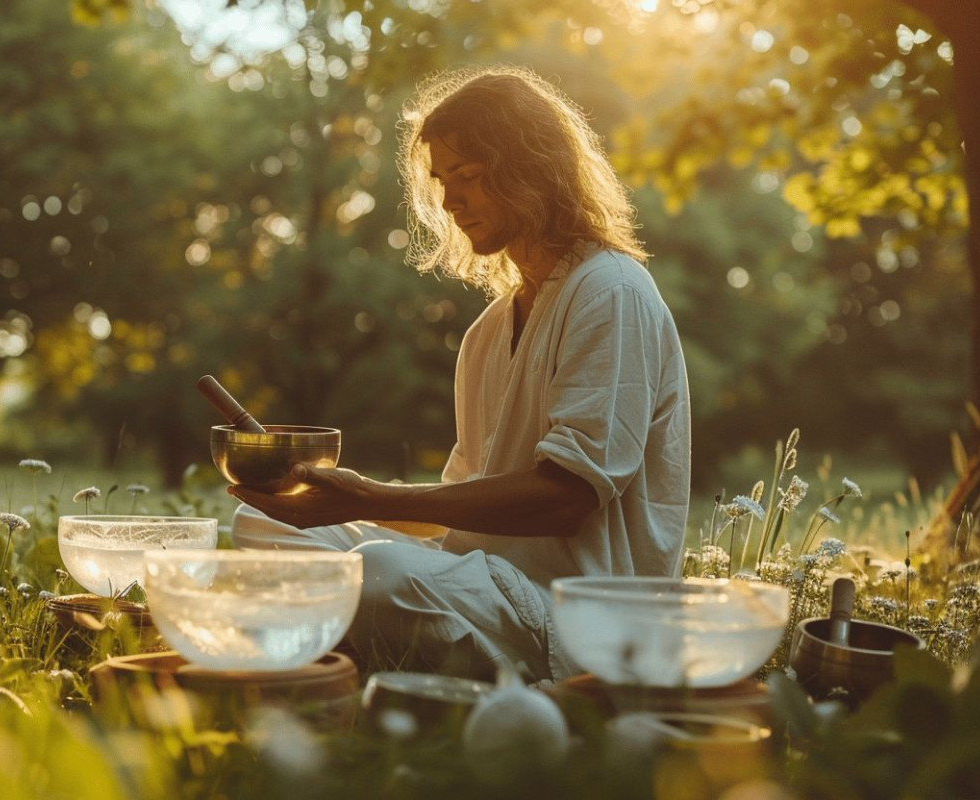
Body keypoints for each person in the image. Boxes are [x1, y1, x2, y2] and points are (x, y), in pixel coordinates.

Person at [229, 66, 691, 683]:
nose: (450, 201)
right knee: (260, 520)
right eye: (443, 181)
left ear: (535, 169)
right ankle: (343, 636)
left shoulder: (610, 292)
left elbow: (569, 498)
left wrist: (372, 498)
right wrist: (339, 502)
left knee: (377, 574)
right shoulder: (488, 331)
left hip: (579, 618)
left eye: (468, 177)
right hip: (483, 582)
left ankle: (326, 640)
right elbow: (460, 510)